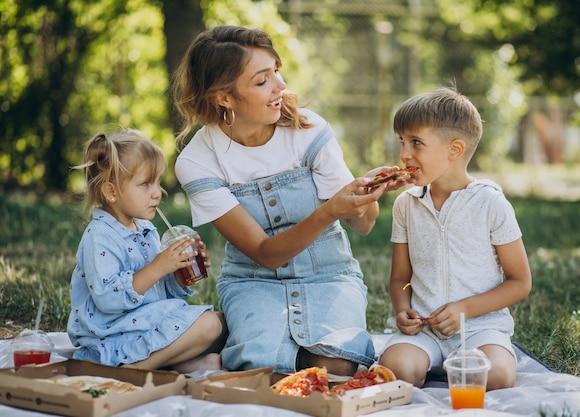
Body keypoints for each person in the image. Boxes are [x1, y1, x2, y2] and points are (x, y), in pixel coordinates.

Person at [172, 26, 409, 377]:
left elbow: (364, 224)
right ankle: (235, 337)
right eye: (262, 81)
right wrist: (329, 211)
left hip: (328, 275)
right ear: (224, 97)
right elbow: (266, 254)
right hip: (253, 279)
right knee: (261, 368)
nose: (281, 87)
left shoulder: (308, 129)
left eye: (276, 72)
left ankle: (226, 340)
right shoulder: (198, 162)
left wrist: (363, 193)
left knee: (338, 364)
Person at [378, 87, 532, 390]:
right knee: (395, 370)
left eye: (416, 143)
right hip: (423, 332)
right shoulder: (406, 205)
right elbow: (400, 279)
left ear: (455, 150)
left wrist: (465, 310)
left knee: (498, 374)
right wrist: (401, 310)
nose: (404, 154)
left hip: (480, 328)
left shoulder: (491, 204)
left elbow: (520, 282)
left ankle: (460, 368)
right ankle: (440, 368)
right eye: (402, 141)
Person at [67, 129, 227, 373]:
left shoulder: (145, 229)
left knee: (222, 323)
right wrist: (159, 266)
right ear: (111, 192)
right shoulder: (100, 236)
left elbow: (157, 289)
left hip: (145, 323)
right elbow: (108, 298)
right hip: (113, 333)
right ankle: (138, 368)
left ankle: (174, 365)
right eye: (145, 184)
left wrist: (178, 271)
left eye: (158, 182)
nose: (157, 192)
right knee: (209, 326)